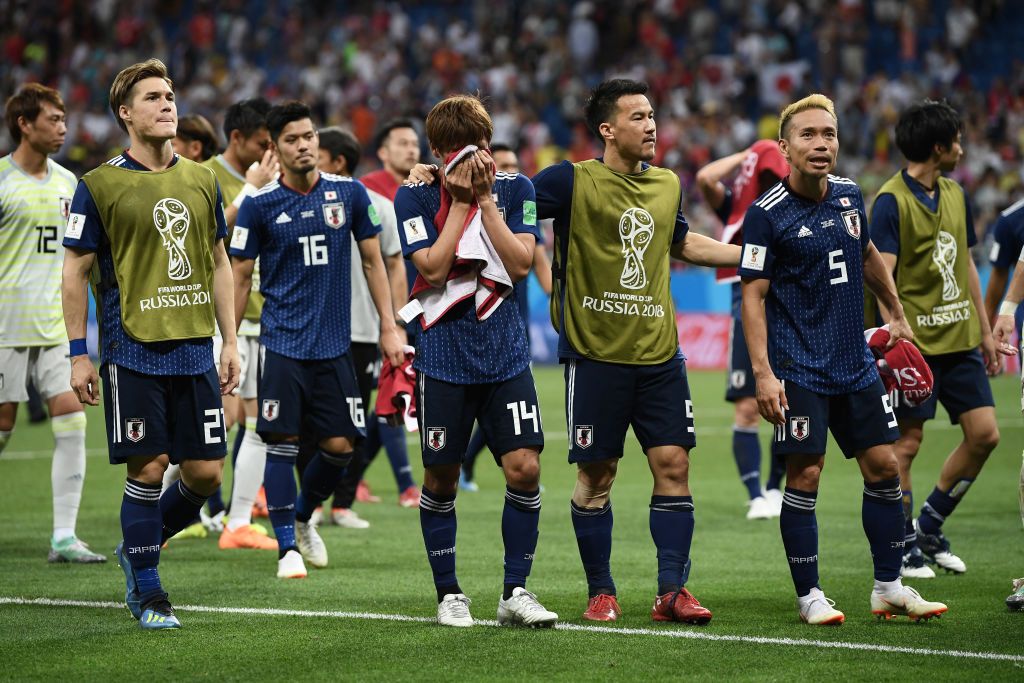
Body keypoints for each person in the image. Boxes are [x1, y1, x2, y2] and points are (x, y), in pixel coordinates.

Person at [533, 78, 738, 625]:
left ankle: (672, 591)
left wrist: (752, 255)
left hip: (659, 355)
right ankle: (601, 591)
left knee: (673, 465)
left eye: (653, 115)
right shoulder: (569, 181)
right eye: (639, 117)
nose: (651, 125)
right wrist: (435, 179)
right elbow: (510, 205)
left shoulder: (668, 184)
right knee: (597, 476)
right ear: (608, 128)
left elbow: (684, 243)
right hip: (596, 355)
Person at [739, 93, 946, 625]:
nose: (820, 144)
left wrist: (895, 313)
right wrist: (763, 374)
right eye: (807, 135)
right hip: (798, 367)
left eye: (828, 134)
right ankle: (809, 595)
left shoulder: (852, 196)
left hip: (854, 364)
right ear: (784, 147)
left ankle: (888, 586)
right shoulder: (765, 216)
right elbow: (753, 297)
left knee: (885, 467)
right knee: (806, 473)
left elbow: (869, 255)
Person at [61, 58, 240, 629]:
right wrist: (77, 352)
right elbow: (75, 271)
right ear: (125, 113)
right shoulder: (99, 185)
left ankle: (137, 549)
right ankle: (148, 590)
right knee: (148, 467)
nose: (167, 105)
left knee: (207, 474)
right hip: (133, 348)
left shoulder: (201, 179)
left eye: (170, 96)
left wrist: (229, 340)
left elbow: (218, 262)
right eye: (153, 98)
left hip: (194, 347)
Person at [395, 95, 557, 628]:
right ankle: (449, 593)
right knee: (440, 477)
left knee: (525, 469)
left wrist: (486, 202)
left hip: (506, 355)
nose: (480, 159)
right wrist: (460, 203)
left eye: (484, 146)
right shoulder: (415, 196)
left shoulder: (518, 189)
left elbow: (519, 265)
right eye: (466, 150)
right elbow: (434, 270)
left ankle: (516, 590)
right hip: (443, 355)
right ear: (440, 153)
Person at [230, 101, 404, 579]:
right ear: (275, 148)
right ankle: (287, 546)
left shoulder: (348, 195)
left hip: (335, 346)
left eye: (309, 136)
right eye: (292, 139)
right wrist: (228, 340)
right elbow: (239, 275)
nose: (305, 145)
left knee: (340, 448)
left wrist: (390, 326)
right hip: (282, 346)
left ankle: (304, 515)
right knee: (280, 443)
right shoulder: (258, 205)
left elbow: (374, 262)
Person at [870, 100, 1000, 578]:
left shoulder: (956, 194)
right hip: (916, 346)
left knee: (985, 435)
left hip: (961, 337)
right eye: (958, 141)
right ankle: (903, 543)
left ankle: (930, 523)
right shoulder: (889, 202)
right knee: (906, 445)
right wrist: (896, 332)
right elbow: (883, 276)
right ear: (939, 147)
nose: (963, 150)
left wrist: (984, 330)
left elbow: (966, 262)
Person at [0, 83, 105, 564]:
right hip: (5, 327)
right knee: (4, 427)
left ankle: (64, 536)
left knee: (72, 423)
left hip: (56, 329)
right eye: (53, 119)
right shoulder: (1, 180)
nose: (63, 127)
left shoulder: (70, 184)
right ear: (24, 123)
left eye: (65, 119)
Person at [311, 126, 410, 528]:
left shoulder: (378, 206)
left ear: (336, 162)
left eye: (317, 153)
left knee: (355, 419)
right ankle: (313, 501)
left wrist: (397, 324)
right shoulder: (304, 202)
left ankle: (343, 503)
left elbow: (394, 265)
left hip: (366, 330)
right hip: (316, 331)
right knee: (311, 422)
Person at [696, 141, 789, 520]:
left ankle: (773, 489)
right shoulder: (740, 206)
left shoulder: (789, 210)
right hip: (745, 299)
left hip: (787, 302)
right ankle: (755, 494)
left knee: (791, 401)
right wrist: (751, 153)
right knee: (748, 406)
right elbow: (704, 178)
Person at [202, 98, 280, 551]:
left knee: (257, 422)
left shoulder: (275, 178)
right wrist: (250, 189)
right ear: (237, 139)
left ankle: (237, 523)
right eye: (261, 143)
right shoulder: (204, 176)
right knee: (210, 421)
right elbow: (204, 235)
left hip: (261, 319)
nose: (269, 153)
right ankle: (156, 509)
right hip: (219, 321)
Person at [459, 143, 552, 493]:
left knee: (502, 405)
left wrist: (558, 305)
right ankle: (464, 464)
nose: (512, 170)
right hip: (466, 331)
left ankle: (495, 465)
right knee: (484, 407)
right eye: (505, 164)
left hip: (512, 328)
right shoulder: (465, 202)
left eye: (515, 163)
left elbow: (537, 261)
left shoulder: (519, 206)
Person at [358, 118, 423, 507]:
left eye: (415, 143)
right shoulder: (368, 190)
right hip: (382, 310)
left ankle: (354, 476)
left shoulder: (426, 188)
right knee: (393, 390)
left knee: (396, 392)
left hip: (422, 303)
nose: (411, 150)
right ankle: (405, 484)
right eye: (401, 143)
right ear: (383, 151)